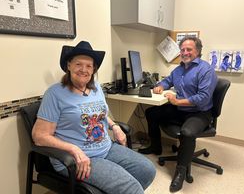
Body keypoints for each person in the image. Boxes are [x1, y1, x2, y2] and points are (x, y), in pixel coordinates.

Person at [32, 41, 156, 194]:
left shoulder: (96, 88)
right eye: (78, 64)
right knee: (131, 189)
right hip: (76, 158)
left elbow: (100, 115)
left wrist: (114, 126)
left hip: (106, 147)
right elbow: (39, 136)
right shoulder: (55, 93)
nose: (83, 69)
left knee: (147, 170)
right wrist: (73, 149)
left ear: (93, 69)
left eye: (89, 66)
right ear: (68, 65)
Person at [138, 36, 217, 192]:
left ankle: (180, 172)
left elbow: (203, 98)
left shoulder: (206, 70)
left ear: (198, 51)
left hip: (200, 112)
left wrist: (178, 102)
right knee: (151, 113)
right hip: (180, 109)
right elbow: (168, 81)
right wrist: (160, 86)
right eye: (182, 50)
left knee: (187, 132)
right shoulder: (179, 69)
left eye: (189, 49)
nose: (185, 52)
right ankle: (155, 146)